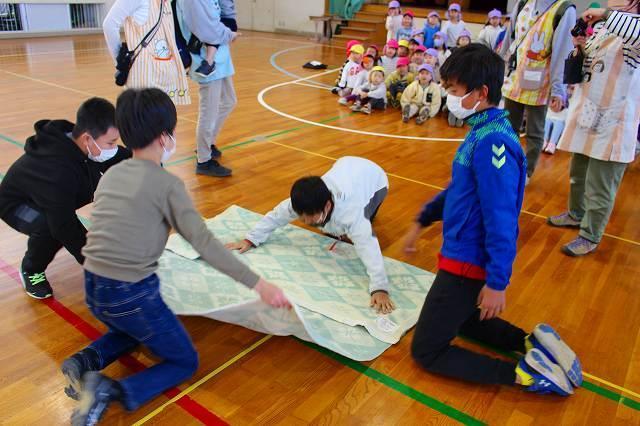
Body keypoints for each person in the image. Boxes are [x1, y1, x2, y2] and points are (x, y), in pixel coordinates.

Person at [64, 88, 290, 426]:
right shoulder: (167, 185)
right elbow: (205, 244)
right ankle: (110, 390)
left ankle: (86, 360)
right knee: (185, 361)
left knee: (136, 329)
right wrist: (260, 285)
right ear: (164, 136)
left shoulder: (111, 174)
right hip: (131, 293)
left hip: (94, 287)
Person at [405, 44, 582, 396]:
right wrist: (423, 219)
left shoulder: (493, 143)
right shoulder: (484, 129)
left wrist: (497, 283)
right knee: (463, 320)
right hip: (463, 255)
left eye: (454, 89)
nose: (449, 96)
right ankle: (531, 343)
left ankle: (526, 374)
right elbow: (460, 189)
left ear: (480, 92)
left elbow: (501, 218)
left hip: (466, 262)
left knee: (426, 350)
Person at [225, 157, 395, 314]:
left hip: (376, 179)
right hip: (346, 164)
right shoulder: (302, 202)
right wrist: (250, 239)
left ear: (327, 206)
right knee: (329, 228)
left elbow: (368, 247)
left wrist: (379, 288)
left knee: (362, 225)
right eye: (301, 216)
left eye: (310, 216)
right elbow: (276, 216)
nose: (305, 221)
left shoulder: (352, 214)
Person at [0, 98, 131, 299]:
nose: (113, 147)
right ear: (87, 138)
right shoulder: (57, 172)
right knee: (49, 228)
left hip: (46, 195)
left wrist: (145, 158)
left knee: (61, 224)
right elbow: (64, 226)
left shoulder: (83, 145)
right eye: (111, 142)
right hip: (15, 203)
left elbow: (118, 156)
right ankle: (31, 269)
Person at [547, 2, 640, 257]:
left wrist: (605, 14)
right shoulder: (602, 29)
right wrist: (579, 45)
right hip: (588, 116)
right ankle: (576, 214)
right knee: (578, 174)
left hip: (614, 123)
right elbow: (583, 68)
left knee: (600, 184)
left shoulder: (631, 30)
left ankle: (590, 235)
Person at [499, 0, 576, 185]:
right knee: (508, 127)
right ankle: (505, 166)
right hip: (515, 77)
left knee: (534, 131)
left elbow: (562, 52)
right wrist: (498, 66)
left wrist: (558, 89)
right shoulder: (522, 3)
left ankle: (526, 172)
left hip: (541, 82)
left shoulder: (564, 9)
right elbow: (510, 38)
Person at [176, 0, 240, 177]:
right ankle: (204, 160)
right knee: (208, 113)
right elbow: (207, 30)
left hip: (220, 57)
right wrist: (229, 34)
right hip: (205, 59)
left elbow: (221, 14)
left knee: (229, 101)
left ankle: (207, 143)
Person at [103, 0, 190, 105]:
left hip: (165, 75)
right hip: (144, 75)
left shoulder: (165, 2)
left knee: (163, 113)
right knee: (144, 112)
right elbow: (109, 24)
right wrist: (120, 61)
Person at [542, 86, 572, 154]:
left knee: (559, 124)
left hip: (562, 116)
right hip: (550, 113)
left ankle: (552, 144)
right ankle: (543, 141)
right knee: (546, 121)